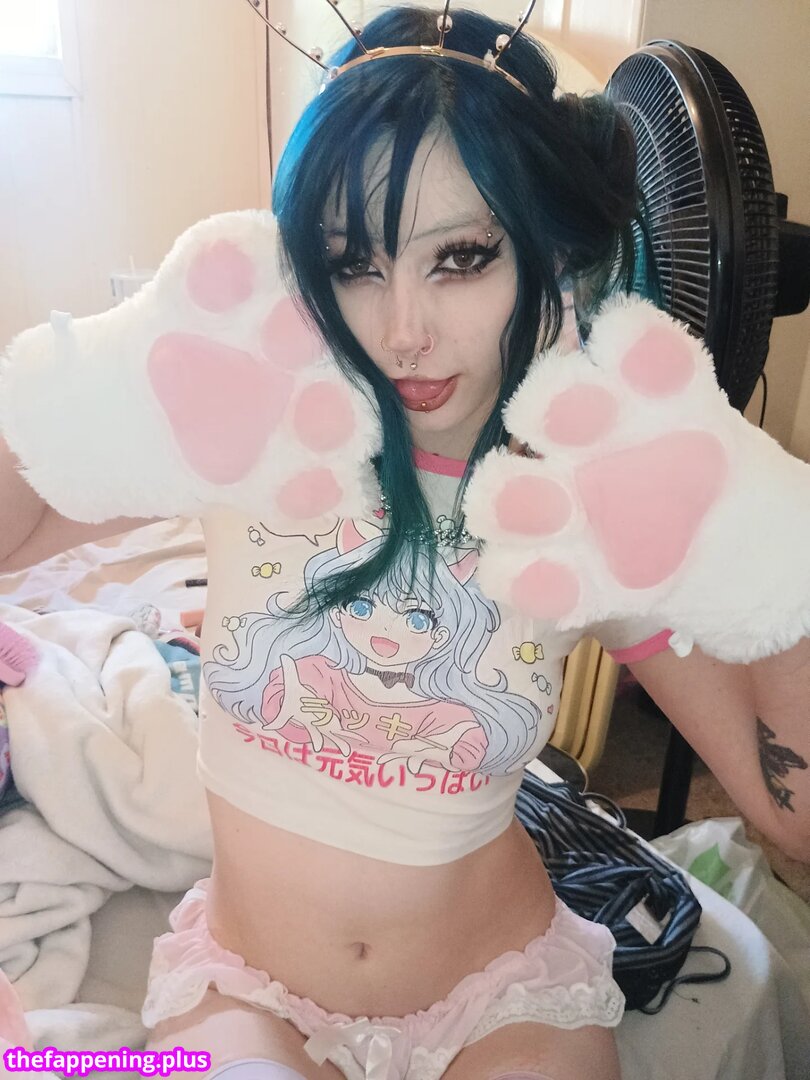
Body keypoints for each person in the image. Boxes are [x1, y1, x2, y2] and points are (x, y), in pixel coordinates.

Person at [1, 7, 808, 1080]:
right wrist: (109, 368)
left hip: (507, 994)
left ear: (551, 253)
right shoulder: (254, 427)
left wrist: (767, 531)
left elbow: (788, 812)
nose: (403, 332)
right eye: (353, 263)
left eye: (462, 258)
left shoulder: (579, 495)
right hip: (253, 989)